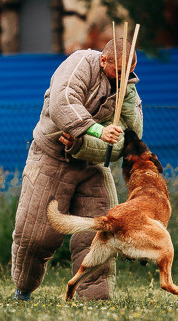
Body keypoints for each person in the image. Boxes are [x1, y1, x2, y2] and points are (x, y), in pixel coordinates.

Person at [11, 36, 142, 302]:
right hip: (51, 157)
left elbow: (132, 137)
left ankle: (95, 298)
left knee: (100, 233)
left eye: (128, 73)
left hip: (92, 165)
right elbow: (63, 101)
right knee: (36, 236)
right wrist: (95, 130)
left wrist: (83, 141)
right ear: (103, 60)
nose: (123, 78)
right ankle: (23, 290)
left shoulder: (127, 88)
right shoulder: (80, 63)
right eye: (118, 72)